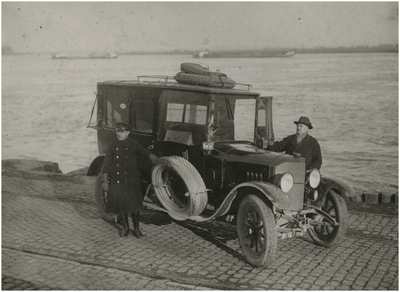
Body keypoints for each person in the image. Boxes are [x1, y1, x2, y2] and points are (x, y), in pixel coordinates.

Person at [101, 122, 158, 238]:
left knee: (135, 206)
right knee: (122, 206)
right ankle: (126, 228)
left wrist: (151, 156)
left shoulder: (133, 143)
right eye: (117, 131)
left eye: (121, 131)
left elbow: (143, 151)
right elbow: (106, 164)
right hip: (118, 179)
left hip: (132, 179)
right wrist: (105, 180)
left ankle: (137, 229)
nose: (119, 134)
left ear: (128, 133)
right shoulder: (112, 145)